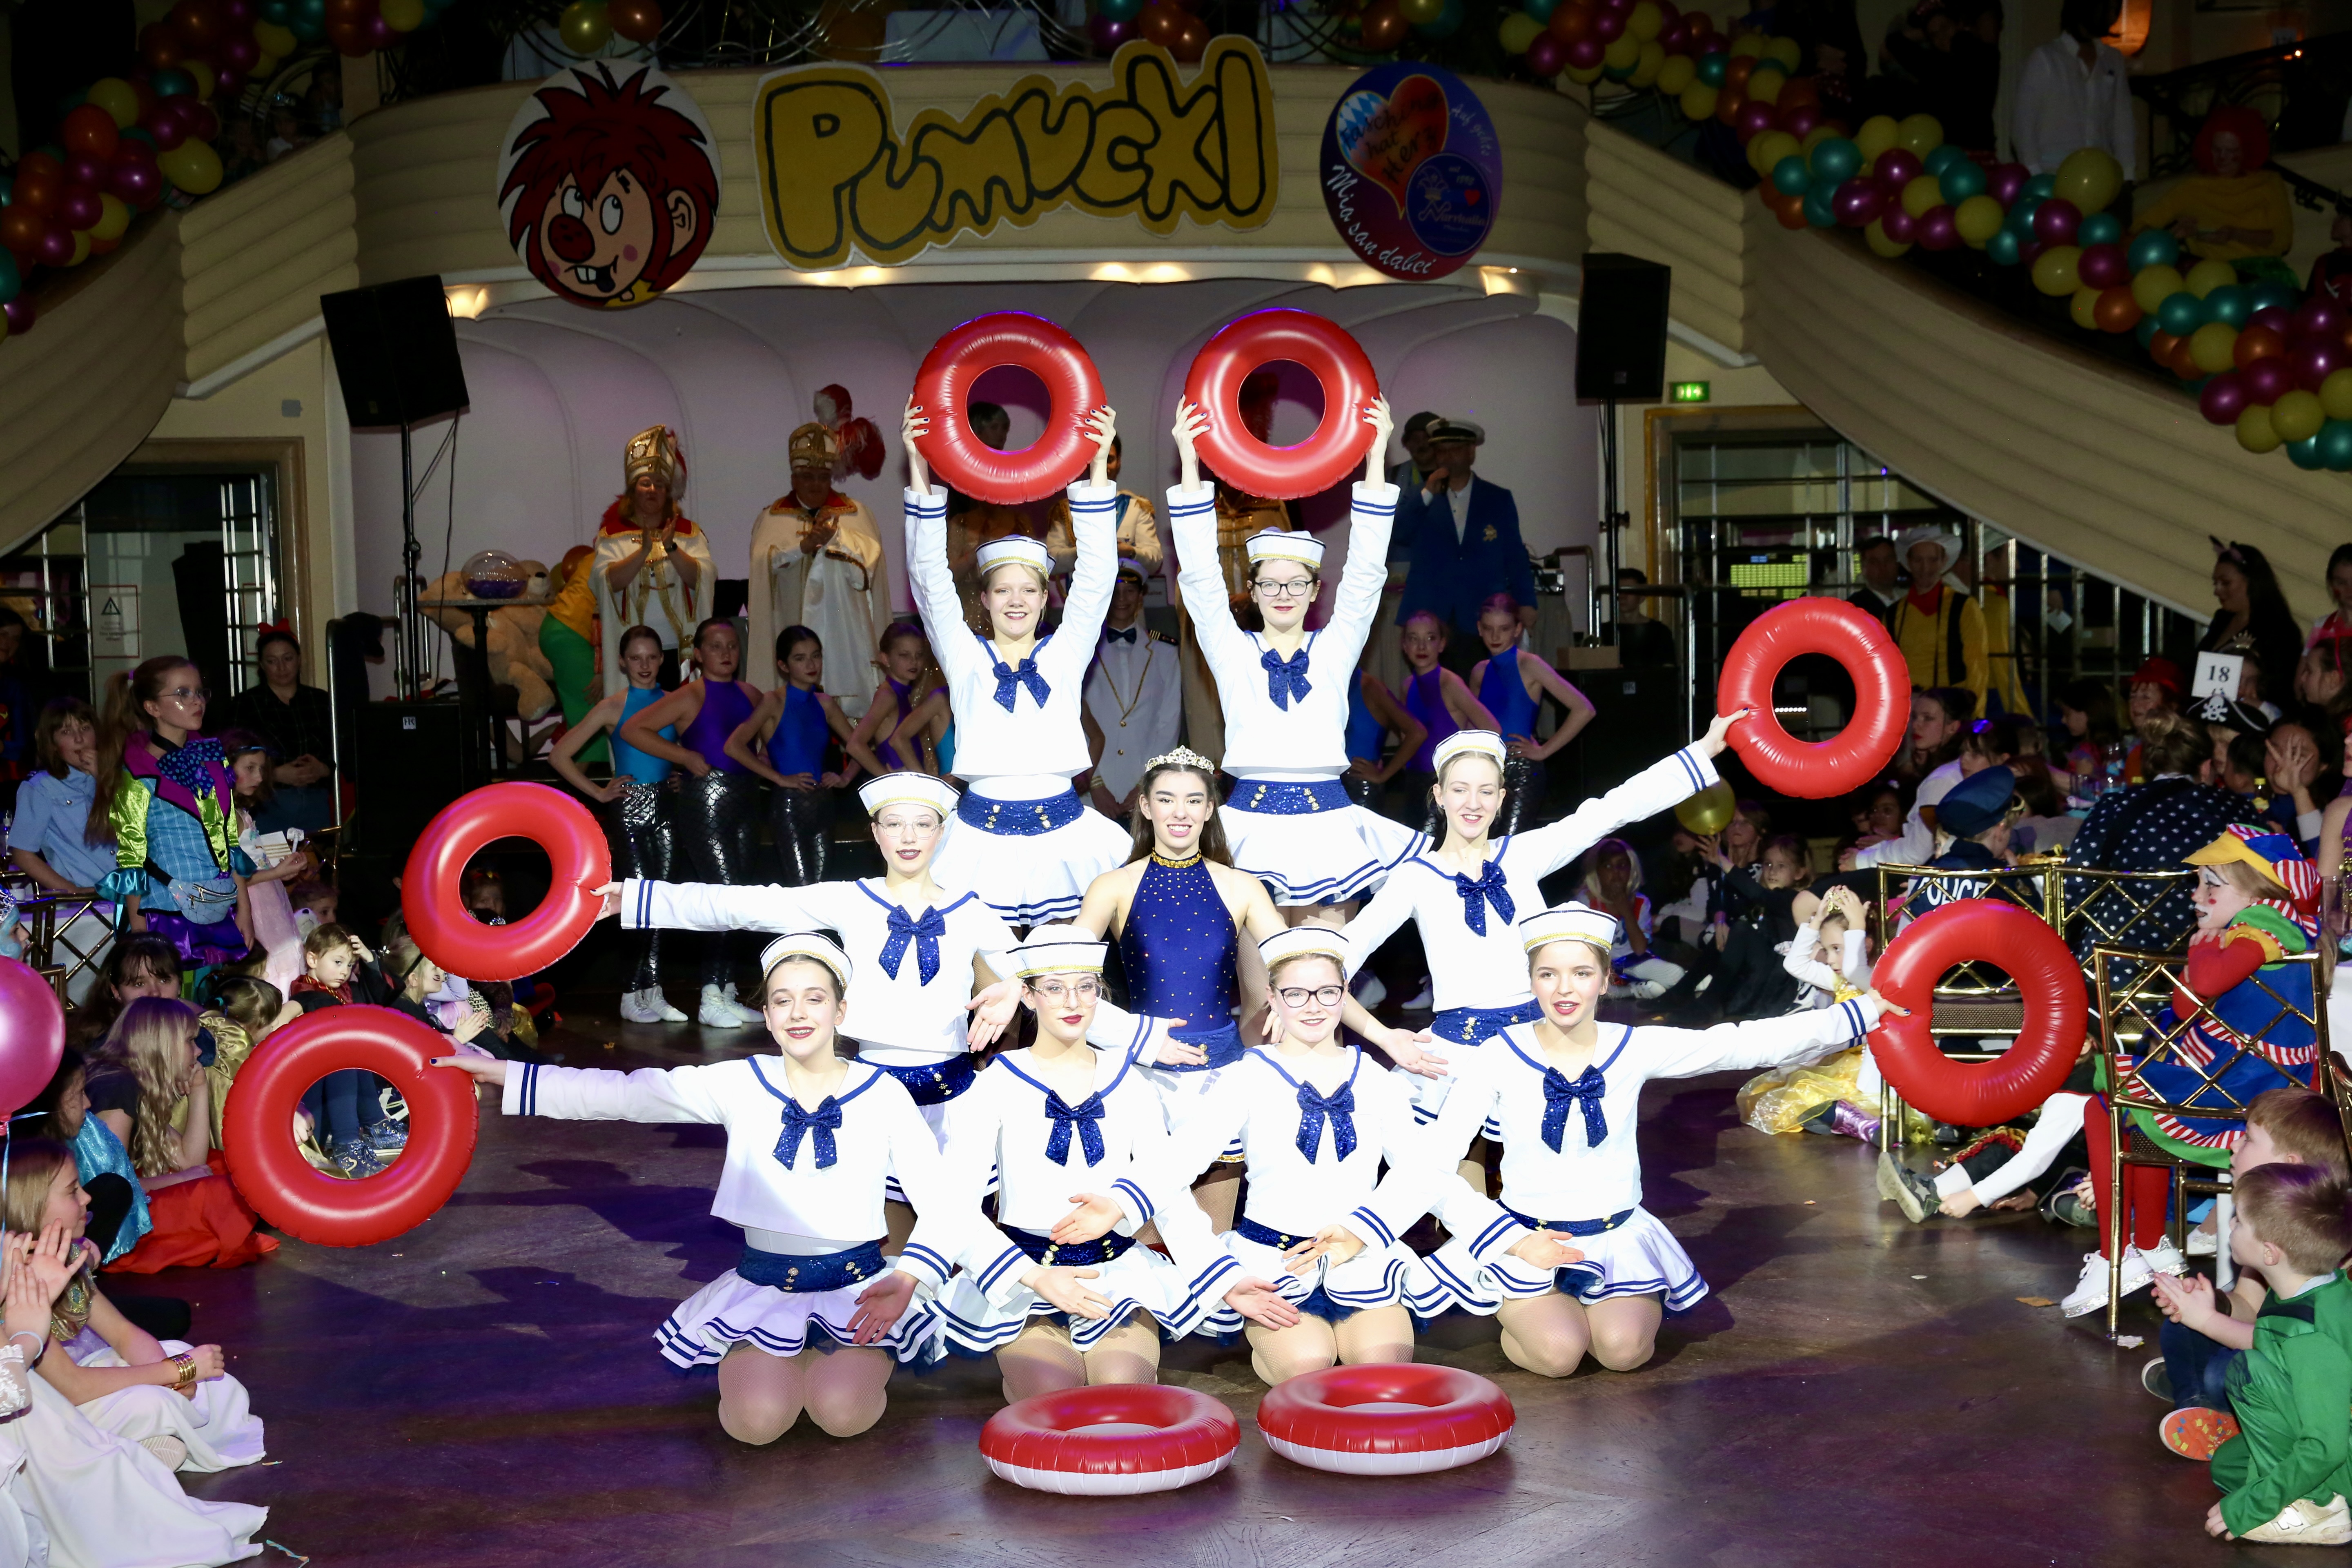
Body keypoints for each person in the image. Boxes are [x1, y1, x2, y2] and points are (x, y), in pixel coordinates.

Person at [434, 934, 1113, 1444]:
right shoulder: (738, 1083)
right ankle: (761, 1358)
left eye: (814, 998)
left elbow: (945, 1204)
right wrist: (510, 1080)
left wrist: (993, 1279)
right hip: (765, 1285)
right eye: (782, 1000)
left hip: (857, 1290)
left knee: (843, 1417)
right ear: (764, 1013)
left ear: (842, 1010)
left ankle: (846, 1365)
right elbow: (627, 1093)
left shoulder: (882, 1096)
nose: (798, 1013)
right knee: (757, 1426)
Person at [600, 773, 1202, 1232]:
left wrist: (1134, 1033)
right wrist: (637, 897)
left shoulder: (970, 909)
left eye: (923, 825)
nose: (909, 838)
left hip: (958, 1095)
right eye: (895, 824)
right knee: (881, 1230)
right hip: (872, 1091)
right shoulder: (849, 899)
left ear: (942, 834)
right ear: (875, 832)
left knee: (957, 1225)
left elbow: (1057, 980)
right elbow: (745, 904)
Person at [1401, 902, 1892, 1377]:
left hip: (1615, 1237)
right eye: (1549, 974)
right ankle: (1520, 1311)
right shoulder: (1497, 1056)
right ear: (1531, 981)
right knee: (1559, 1355)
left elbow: (1740, 1043)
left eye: (1581, 973)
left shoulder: (1631, 1047)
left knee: (1623, 1352)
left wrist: (1863, 1012)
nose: (1564, 989)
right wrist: (1503, 1240)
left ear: (1606, 979)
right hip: (1529, 1240)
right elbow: (1434, 1163)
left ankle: (1579, 1311)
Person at [1067, 751, 1439, 1230]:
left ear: (1210, 809)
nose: (1180, 812)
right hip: (1138, 1078)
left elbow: (1306, 975)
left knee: (1210, 1240)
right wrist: (1017, 991)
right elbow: (1062, 977)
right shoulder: (1112, 887)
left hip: (1218, 1077)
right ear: (1144, 806)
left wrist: (1385, 1035)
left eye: (1193, 800)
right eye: (1166, 799)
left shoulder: (1242, 888)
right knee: (1138, 1238)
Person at [1085, 927, 1471, 1382]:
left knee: (1382, 1362)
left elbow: (1424, 1173)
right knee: (1306, 1364)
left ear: (1345, 994)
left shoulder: (1373, 1077)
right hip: (1275, 1261)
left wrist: (1511, 1239)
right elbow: (1179, 1160)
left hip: (1360, 1259)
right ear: (1271, 997)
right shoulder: (1246, 1077)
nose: (1313, 1006)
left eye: (1327, 992)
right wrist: (1119, 1203)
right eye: (1296, 993)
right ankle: (1271, 1349)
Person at [1343, 722, 1742, 1131]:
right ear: (1439, 795)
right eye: (1460, 789)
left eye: (1485, 791)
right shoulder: (1414, 877)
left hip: (1537, 1041)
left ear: (1501, 800)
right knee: (1460, 1171)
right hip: (1456, 1052)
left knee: (1537, 1170)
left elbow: (1611, 809)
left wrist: (1703, 750)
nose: (1473, 803)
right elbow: (1337, 957)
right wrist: (1383, 1035)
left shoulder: (1522, 855)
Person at [1168, 393, 1418, 910]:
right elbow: (1200, 580)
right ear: (1253, 592)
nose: (1283, 594)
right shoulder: (1232, 653)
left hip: (1329, 826)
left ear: (1314, 590)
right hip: (1248, 827)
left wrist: (1376, 458)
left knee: (1326, 973)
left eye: (1296, 584)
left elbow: (1367, 574)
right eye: (1271, 585)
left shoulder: (1334, 651)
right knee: (1259, 982)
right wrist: (1190, 463)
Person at [2061, 825, 2321, 1317]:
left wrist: (2204, 949)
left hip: (2246, 1089)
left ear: (2256, 892)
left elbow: (2201, 983)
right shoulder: (2260, 927)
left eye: (2211, 886)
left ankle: (2126, 1251)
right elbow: (2186, 1004)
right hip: (2235, 1075)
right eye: (2196, 884)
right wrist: (2207, 948)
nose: (2197, 896)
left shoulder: (2265, 926)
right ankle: (2146, 1246)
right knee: (2116, 1105)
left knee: (2109, 1107)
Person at [934, 928, 1205, 1397]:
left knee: (1123, 1393)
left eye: (1086, 987)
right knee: (1050, 1396)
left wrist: (1222, 1277)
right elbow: (956, 1208)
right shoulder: (996, 1084)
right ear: (1027, 996)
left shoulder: (1131, 1081)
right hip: (1026, 1278)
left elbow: (1167, 1191)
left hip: (1114, 1272)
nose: (1072, 1001)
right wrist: (1032, 1277)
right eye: (1055, 988)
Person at [901, 398, 1131, 927]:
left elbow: (1097, 578)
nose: (1015, 600)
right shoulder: (964, 656)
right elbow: (930, 578)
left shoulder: (1066, 651)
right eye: (1002, 590)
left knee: (1061, 980)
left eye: (1029, 589)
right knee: (988, 990)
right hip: (980, 840)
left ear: (1047, 596)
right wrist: (920, 465)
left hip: (1065, 836)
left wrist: (1097, 465)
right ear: (983, 599)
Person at [0, 1154, 270, 1564]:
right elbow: (69, 1387)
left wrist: (176, 1373)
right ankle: (134, 1459)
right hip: (54, 1406)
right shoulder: (18, 1284)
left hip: (78, 1389)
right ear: (35, 1207)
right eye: (74, 1190)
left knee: (182, 1359)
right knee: (156, 1397)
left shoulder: (65, 1261)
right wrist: (172, 1374)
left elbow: (124, 1333)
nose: (88, 1196)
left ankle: (144, 1453)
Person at [2150, 1086, 2350, 1456]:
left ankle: (2209, 1403)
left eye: (2248, 1139)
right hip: (2271, 1346)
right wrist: (2213, 1305)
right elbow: (2250, 1305)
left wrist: (2209, 1321)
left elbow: (2283, 1343)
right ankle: (2199, 1410)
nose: (2233, 1147)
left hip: (2304, 1370)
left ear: (2289, 1164)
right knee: (2180, 1328)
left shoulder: (2320, 1240)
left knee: (2224, 1373)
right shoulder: (2266, 1224)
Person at [619, 617, 768, 1028]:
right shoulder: (691, 694)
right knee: (722, 894)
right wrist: (683, 758)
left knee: (738, 896)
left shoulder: (751, 693)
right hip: (706, 802)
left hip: (745, 800)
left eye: (732, 646)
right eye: (716, 647)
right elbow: (633, 729)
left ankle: (726, 990)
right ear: (698, 655)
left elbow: (761, 742)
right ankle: (709, 998)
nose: (725, 654)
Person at [2196, 1164, 2352, 1544]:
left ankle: (2319, 1509)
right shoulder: (2311, 1289)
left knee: (2246, 1370)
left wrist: (2252, 1506)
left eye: (2240, 1222)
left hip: (2336, 1451)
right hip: (2329, 1432)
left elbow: (2325, 1446)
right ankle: (2295, 1490)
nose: (2230, 1226)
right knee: (2227, 1468)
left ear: (2269, 1252)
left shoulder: (2310, 1336)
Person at [549, 623, 684, 1025]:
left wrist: (680, 774)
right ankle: (630, 993)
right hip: (630, 808)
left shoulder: (675, 700)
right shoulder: (613, 705)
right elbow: (560, 755)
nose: (645, 665)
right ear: (623, 662)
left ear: (662, 659)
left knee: (662, 903)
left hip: (666, 806)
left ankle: (653, 990)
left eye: (652, 657)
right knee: (639, 902)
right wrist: (598, 792)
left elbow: (686, 753)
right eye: (636, 658)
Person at [85, 996, 275, 1272]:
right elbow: (106, 1188)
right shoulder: (118, 1087)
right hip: (105, 1218)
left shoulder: (135, 1083)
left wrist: (200, 1089)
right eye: (190, 1041)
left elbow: (189, 1160)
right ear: (163, 1045)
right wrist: (183, 1178)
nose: (198, 1051)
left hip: (129, 1191)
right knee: (221, 1191)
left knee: (221, 1165)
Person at [89, 656, 250, 969]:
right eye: (183, 694)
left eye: (199, 692)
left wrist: (244, 909)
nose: (196, 701)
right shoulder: (137, 772)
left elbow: (228, 842)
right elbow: (132, 855)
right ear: (152, 708)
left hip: (218, 904)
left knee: (213, 1006)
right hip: (163, 909)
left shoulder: (213, 761)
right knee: (171, 1006)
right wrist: (138, 928)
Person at [749, 422, 889, 720]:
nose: (815, 484)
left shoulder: (856, 514)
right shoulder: (772, 517)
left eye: (823, 477)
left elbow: (871, 563)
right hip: (793, 619)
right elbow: (763, 563)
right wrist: (801, 547)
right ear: (794, 479)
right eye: (807, 477)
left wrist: (836, 540)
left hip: (846, 628)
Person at [1392, 416, 1537, 678]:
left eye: (1455, 449)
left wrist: (1526, 602)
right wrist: (1426, 494)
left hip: (1482, 615)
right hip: (1432, 615)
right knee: (1434, 697)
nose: (1447, 456)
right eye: (1441, 451)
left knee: (1482, 694)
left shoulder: (1497, 499)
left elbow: (1515, 556)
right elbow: (1399, 534)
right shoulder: (1423, 497)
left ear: (1471, 453)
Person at [728, 626, 866, 888]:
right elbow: (734, 746)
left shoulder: (825, 703)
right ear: (783, 665)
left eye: (816, 656)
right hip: (789, 807)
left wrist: (846, 777)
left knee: (822, 888)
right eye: (800, 658)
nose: (811, 664)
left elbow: (861, 746)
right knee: (802, 889)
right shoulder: (773, 701)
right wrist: (779, 779)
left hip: (823, 804)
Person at [9, 697, 120, 1004]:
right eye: (67, 732)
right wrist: (70, 890)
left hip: (132, 899)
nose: (80, 738)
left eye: (85, 728)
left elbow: (141, 830)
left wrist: (106, 779)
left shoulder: (118, 778)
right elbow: (23, 853)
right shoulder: (41, 788)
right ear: (51, 742)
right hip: (86, 906)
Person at [593, 425, 715, 688]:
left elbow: (702, 580)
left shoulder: (689, 533)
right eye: (645, 483)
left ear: (667, 492)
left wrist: (672, 548)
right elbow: (607, 582)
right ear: (633, 490)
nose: (652, 490)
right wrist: (643, 552)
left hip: (678, 650)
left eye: (660, 485)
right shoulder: (613, 535)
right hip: (637, 656)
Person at [1471, 592, 1593, 835]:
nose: (1496, 637)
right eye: (1489, 628)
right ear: (1480, 629)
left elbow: (1584, 709)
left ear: (1518, 629)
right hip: (1484, 772)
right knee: (1485, 849)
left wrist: (1544, 751)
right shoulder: (1480, 672)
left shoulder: (1530, 664)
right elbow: (1470, 725)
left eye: (1504, 629)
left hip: (1521, 772)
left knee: (1509, 848)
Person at [2136, 107, 2298, 278]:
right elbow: (2140, 228)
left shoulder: (2269, 183)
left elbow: (2283, 240)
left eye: (2231, 151)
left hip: (2265, 274)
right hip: (2215, 277)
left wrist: (2235, 234)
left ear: (2246, 150)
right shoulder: (2192, 189)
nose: (2221, 158)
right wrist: (2173, 235)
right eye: (2216, 149)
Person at [27, 1045, 153, 1266]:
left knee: (114, 1188)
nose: (88, 1104)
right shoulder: (26, 1158)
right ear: (54, 1102)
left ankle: (85, 1262)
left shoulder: (82, 1135)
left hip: (66, 1247)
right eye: (79, 1093)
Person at [1082, 561, 1182, 819]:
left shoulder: (1166, 652)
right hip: (1090, 789)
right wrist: (1094, 782)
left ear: (1141, 595)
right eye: (1115, 591)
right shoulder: (1081, 652)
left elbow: (1168, 724)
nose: (1122, 599)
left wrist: (1146, 784)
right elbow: (1073, 719)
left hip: (1145, 790)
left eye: (1130, 591)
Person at [222, 624, 335, 834]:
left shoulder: (322, 701)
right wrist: (274, 774)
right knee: (270, 860)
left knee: (316, 862)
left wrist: (324, 769)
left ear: (300, 659)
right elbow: (231, 758)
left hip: (317, 800)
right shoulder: (245, 704)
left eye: (288, 659)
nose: (282, 668)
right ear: (262, 666)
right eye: (272, 661)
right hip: (268, 802)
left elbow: (343, 750)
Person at [221, 728, 307, 996]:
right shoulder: (223, 817)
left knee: (284, 963)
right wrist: (276, 873)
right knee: (269, 970)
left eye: (261, 769)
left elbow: (255, 862)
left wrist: (281, 867)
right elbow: (233, 877)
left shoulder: (242, 813)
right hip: (253, 909)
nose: (259, 777)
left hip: (269, 903)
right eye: (250, 768)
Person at [2012, 0, 2135, 180]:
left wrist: (2127, 178)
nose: (2113, 16)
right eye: (2108, 7)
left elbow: (2123, 126)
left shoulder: (2113, 60)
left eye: (2116, 9)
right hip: (2054, 177)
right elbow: (2023, 127)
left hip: (2100, 181)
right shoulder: (2046, 59)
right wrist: (2036, 178)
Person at [1887, 526, 1986, 710]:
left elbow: (1977, 668)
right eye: (1918, 560)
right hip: (1905, 709)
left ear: (1944, 561)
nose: (1926, 568)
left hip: (1949, 708)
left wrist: (1974, 718)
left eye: (1933, 560)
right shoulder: (1893, 614)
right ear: (1909, 562)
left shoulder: (1965, 607)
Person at [2201, 541, 2303, 713]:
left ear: (2251, 582)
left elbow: (2282, 689)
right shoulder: (2222, 620)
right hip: (2210, 712)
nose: (2217, 591)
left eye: (2225, 583)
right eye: (2215, 583)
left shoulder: (2279, 630)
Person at [1045, 432, 1162, 582]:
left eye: (1110, 460)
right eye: (1097, 460)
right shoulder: (1066, 510)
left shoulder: (1136, 507)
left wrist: (1130, 552)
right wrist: (1084, 552)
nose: (1103, 467)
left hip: (1127, 597)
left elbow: (1155, 561)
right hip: (1082, 599)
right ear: (1087, 462)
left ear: (1119, 462)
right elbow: (1050, 561)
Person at [849, 623, 946, 779]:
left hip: (904, 787)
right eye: (904, 655)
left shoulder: (900, 694)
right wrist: (887, 780)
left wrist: (846, 777)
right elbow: (855, 745)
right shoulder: (888, 695)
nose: (914, 662)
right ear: (885, 659)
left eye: (919, 655)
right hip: (897, 791)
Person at [537, 543, 605, 765]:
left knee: (589, 716)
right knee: (594, 717)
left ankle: (580, 790)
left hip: (560, 629)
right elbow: (601, 614)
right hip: (571, 633)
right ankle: (576, 792)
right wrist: (600, 669)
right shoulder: (613, 559)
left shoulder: (597, 556)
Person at [1343, 657, 1426, 818]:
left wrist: (1384, 775)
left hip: (1361, 788)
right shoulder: (1328, 686)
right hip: (1329, 785)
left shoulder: (1371, 688)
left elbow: (1417, 732)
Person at [2058, 675, 2125, 794]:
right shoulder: (2112, 745)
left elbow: (2082, 791)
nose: (2063, 720)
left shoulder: (2087, 751)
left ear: (2087, 713)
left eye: (2067, 714)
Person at [1613, 569, 1678, 668]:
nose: (1623, 596)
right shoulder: (1605, 632)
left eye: (1629, 591)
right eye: (1619, 591)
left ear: (1642, 597)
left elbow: (1667, 676)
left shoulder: (1660, 633)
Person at [1848, 534, 1904, 630]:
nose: (1883, 567)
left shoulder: (1907, 601)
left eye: (1889, 560)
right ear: (1864, 568)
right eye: (1875, 562)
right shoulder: (1855, 608)